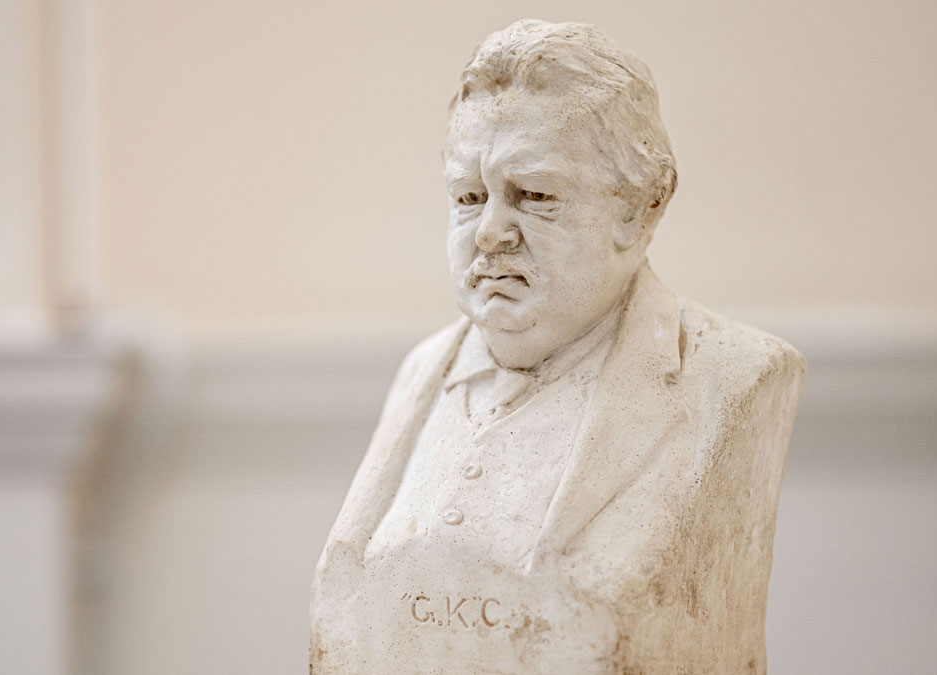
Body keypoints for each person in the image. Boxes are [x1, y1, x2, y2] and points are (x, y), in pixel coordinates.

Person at [311, 19, 804, 674]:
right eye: (468, 197)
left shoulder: (735, 377)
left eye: (534, 195)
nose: (490, 232)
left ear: (640, 208)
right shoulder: (419, 375)